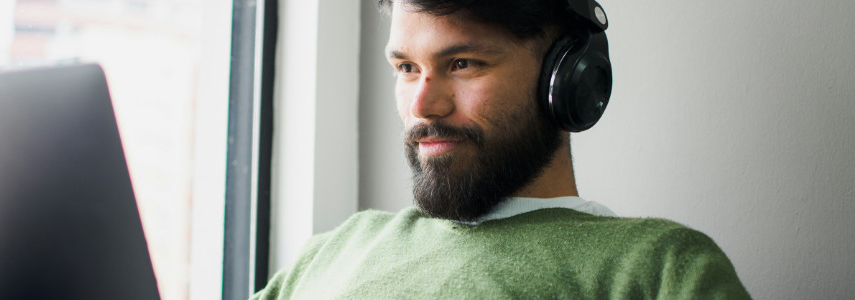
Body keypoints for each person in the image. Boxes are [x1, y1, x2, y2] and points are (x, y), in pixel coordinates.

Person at [251, 0, 750, 298]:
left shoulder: (656, 269)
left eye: (463, 63)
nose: (424, 104)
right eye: (406, 68)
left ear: (567, 78)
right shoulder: (335, 250)